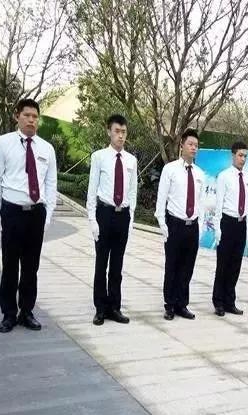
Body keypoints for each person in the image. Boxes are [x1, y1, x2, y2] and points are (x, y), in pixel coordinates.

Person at [0, 98, 57, 333]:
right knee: (10, 266)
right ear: (17, 116)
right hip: (12, 212)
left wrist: (48, 215)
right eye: (27, 115)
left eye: (35, 116)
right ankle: (8, 314)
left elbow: (51, 184)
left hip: (36, 213)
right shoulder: (3, 143)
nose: (31, 120)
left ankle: (26, 311)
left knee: (31, 267)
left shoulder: (47, 149)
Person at [87, 114, 137, 326]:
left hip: (122, 215)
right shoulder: (99, 157)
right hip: (104, 213)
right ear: (109, 131)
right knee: (101, 264)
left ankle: (114, 307)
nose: (120, 136)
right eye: (117, 131)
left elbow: (133, 191)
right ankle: (100, 308)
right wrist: (92, 219)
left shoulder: (131, 160)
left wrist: (131, 219)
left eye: (123, 132)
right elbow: (92, 190)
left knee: (117, 264)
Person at [155, 128, 204, 320]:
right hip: (175, 224)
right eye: (190, 144)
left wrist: (200, 225)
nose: (193, 148)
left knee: (187, 267)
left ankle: (181, 304)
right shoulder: (170, 169)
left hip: (193, 225)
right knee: (172, 266)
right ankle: (169, 304)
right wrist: (163, 224)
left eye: (196, 145)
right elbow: (161, 198)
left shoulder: (200, 173)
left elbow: (200, 201)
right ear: (182, 145)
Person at [212, 141, 248, 316]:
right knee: (223, 264)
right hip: (227, 222)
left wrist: (247, 227)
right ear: (233, 155)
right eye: (240, 155)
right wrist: (218, 228)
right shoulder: (224, 176)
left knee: (236, 265)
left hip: (241, 223)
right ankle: (218, 302)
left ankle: (230, 301)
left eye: (245, 156)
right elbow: (218, 205)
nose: (243, 159)